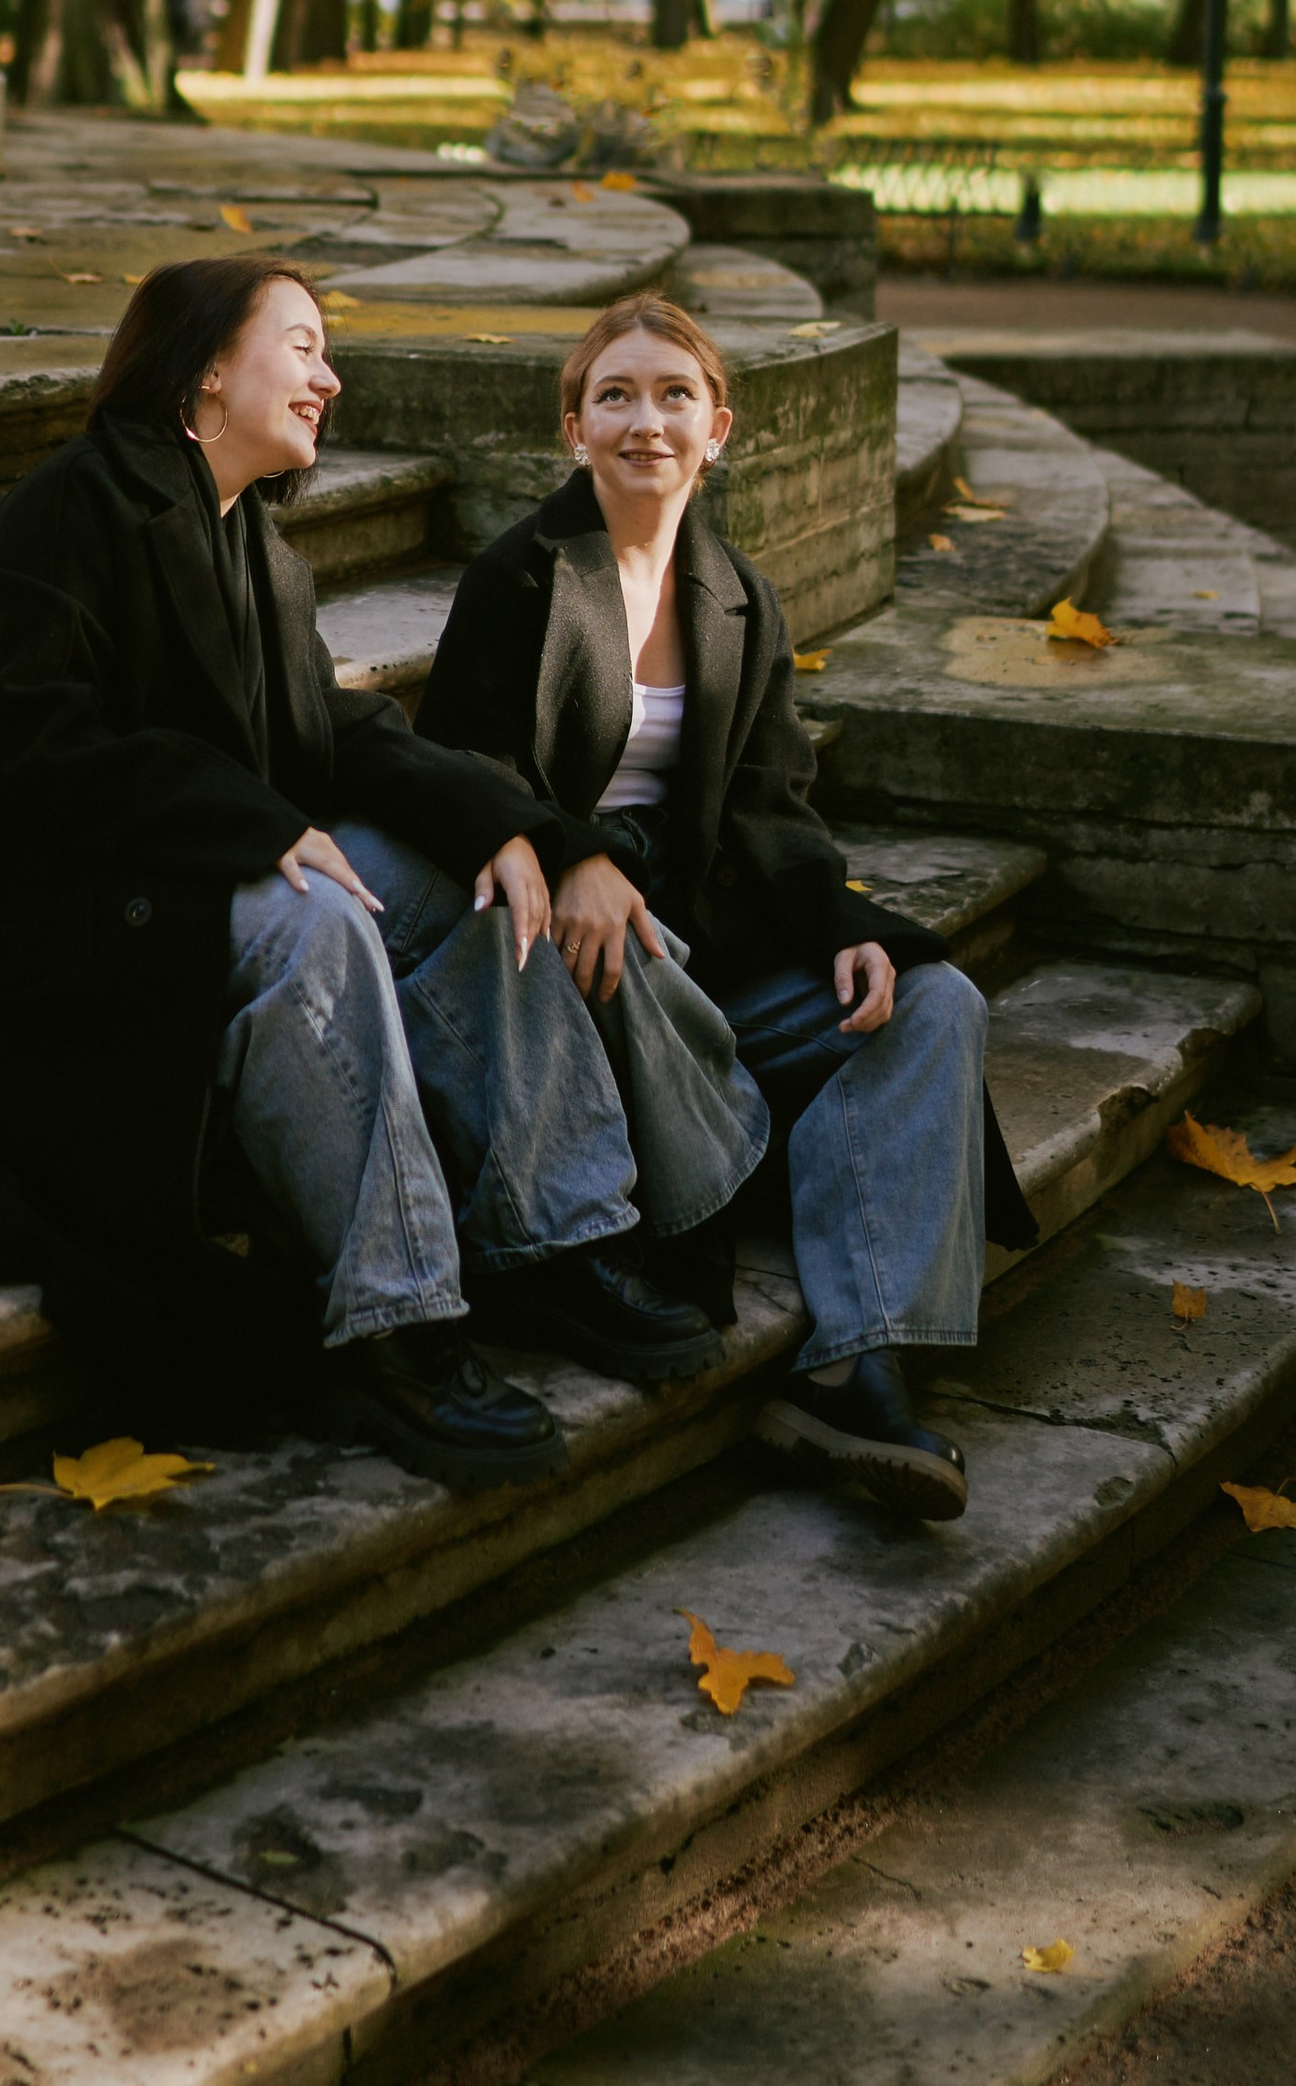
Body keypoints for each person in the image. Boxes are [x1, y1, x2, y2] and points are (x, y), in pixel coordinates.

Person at [0, 253, 735, 1495]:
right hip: (35, 925)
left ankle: (557, 1237)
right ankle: (397, 1323)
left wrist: (513, 827)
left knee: (473, 888)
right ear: (207, 371)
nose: (330, 378)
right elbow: (38, 749)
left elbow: (334, 734)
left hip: (166, 881)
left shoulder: (257, 546)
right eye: (303, 346)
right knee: (312, 915)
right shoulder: (72, 508)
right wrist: (253, 825)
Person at [417, 292, 1039, 1520]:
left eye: (674, 395)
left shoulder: (739, 596)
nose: (643, 420)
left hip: (709, 958)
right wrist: (569, 850)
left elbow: (773, 806)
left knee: (935, 1002)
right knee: (637, 943)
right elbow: (457, 765)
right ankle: (704, 1164)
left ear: (719, 430)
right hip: (578, 971)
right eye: (613, 395)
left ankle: (858, 1362)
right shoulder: (521, 577)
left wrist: (851, 930)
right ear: (573, 429)